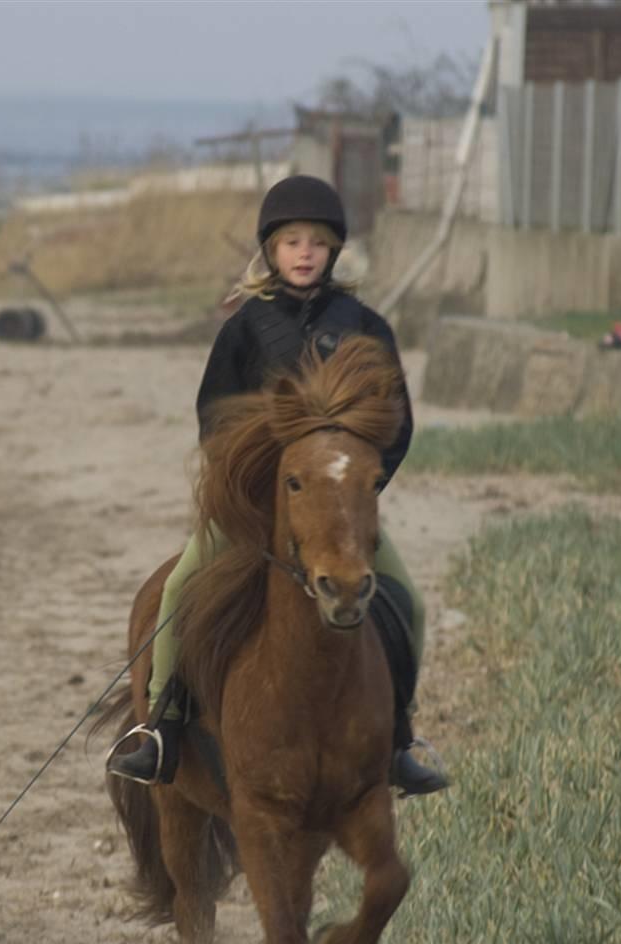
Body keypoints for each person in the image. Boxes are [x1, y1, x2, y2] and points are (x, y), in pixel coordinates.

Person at [108, 175, 448, 796]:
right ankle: (161, 728)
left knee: (408, 601)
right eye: (291, 240)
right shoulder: (244, 329)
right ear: (269, 250)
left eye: (317, 242)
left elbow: (395, 423)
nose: (304, 252)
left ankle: (399, 739)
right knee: (181, 588)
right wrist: (247, 491)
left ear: (334, 252)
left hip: (335, 513)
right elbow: (214, 417)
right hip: (251, 511)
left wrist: (355, 493)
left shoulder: (366, 326)